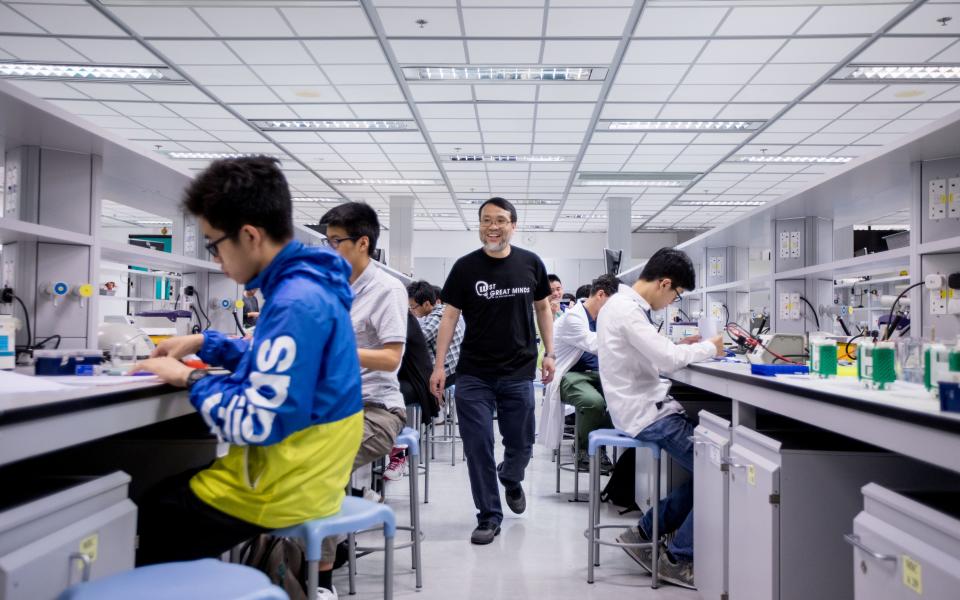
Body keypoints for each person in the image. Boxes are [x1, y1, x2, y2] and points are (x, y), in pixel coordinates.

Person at [130, 157, 364, 584]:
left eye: (213, 245)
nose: (216, 259)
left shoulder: (294, 301)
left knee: (153, 511)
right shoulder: (308, 286)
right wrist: (206, 343)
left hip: (284, 483)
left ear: (250, 235)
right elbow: (281, 365)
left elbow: (257, 421)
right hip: (309, 473)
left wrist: (188, 378)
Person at [429, 197, 556, 545]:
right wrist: (439, 365)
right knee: (478, 445)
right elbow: (449, 317)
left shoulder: (531, 263)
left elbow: (543, 308)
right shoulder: (465, 267)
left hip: (518, 371)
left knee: (522, 444)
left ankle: (511, 477)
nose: (493, 226)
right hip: (474, 373)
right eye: (486, 220)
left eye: (500, 220)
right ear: (480, 225)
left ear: (513, 225)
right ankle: (488, 515)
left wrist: (550, 354)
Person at [596, 247, 724, 590]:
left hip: (642, 409)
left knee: (709, 470)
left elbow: (652, 353)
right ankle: (678, 558)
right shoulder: (627, 311)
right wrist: (712, 347)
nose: (672, 302)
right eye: (676, 295)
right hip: (648, 415)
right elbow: (667, 360)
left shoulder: (624, 307)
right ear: (665, 283)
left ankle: (643, 532)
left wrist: (686, 344)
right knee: (718, 471)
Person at [318, 202, 408, 589]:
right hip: (330, 403)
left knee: (319, 460)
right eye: (327, 241)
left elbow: (390, 358)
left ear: (363, 243)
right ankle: (320, 543)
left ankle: (318, 578)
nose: (329, 249)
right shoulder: (331, 287)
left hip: (377, 408)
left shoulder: (386, 290)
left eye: (336, 241)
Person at [538, 274, 620, 473]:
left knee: (625, 396)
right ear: (601, 295)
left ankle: (599, 444)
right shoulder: (574, 317)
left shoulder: (599, 315)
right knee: (594, 402)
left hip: (595, 374)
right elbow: (595, 344)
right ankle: (585, 451)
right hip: (568, 375)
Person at [407, 280, 464, 387]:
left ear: (426, 304)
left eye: (413, 307)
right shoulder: (443, 311)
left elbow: (417, 339)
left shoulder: (437, 317)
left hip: (447, 376)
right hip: (455, 371)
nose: (411, 311)